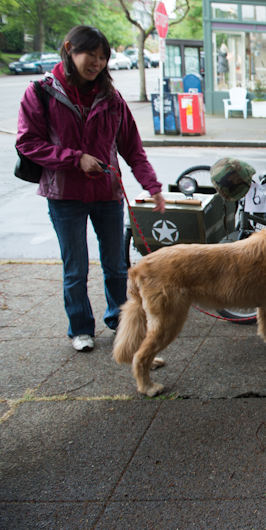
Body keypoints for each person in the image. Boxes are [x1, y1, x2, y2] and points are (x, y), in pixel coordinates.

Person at [15, 25, 165, 353]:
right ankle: (81, 328)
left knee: (116, 266)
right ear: (69, 49)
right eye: (90, 55)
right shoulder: (41, 92)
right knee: (76, 268)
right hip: (64, 195)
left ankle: (120, 322)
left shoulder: (112, 98)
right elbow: (28, 142)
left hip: (107, 195)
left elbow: (132, 148)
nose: (97, 63)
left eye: (103, 57)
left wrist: (152, 186)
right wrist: (75, 158)